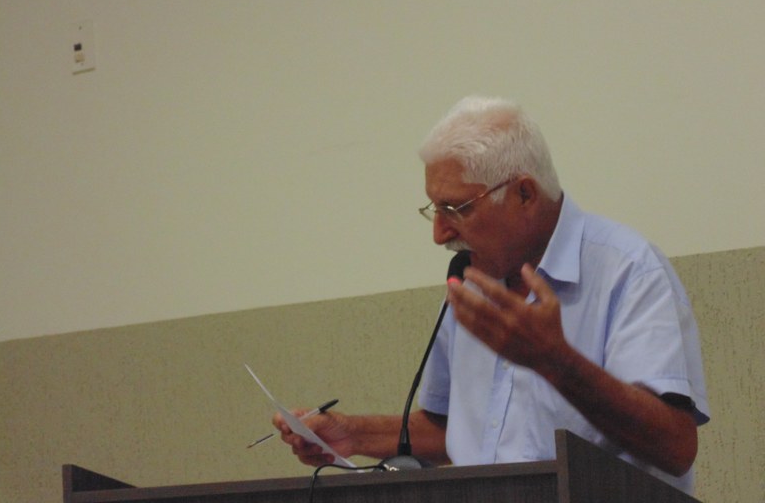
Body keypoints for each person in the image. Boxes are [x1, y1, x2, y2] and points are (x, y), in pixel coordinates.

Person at [273, 96, 710, 493]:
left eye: (456, 208)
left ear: (524, 193)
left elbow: (675, 447)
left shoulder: (628, 270)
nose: (439, 233)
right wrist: (355, 434)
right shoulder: (473, 283)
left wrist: (556, 361)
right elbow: (454, 430)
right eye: (434, 208)